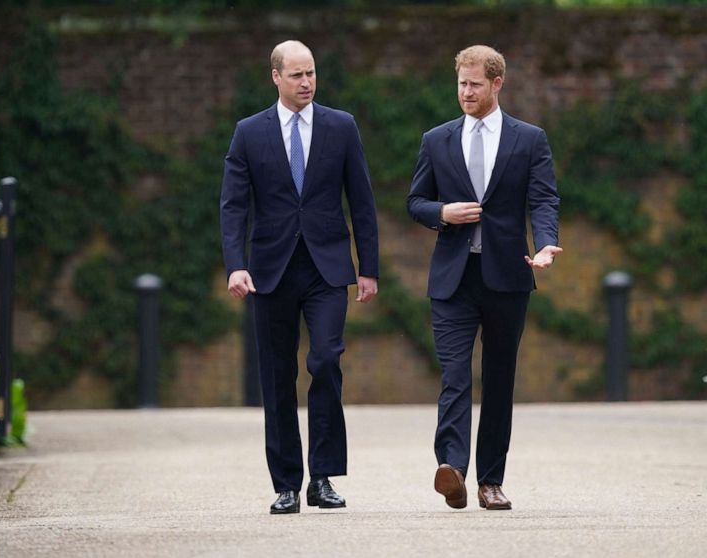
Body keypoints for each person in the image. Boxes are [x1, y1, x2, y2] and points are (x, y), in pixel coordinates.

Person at [220, 40, 379, 515]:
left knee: (327, 361)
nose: (306, 82)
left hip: (327, 267)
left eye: (311, 74)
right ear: (275, 77)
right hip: (270, 270)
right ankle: (287, 483)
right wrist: (235, 264)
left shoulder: (341, 126)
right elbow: (233, 205)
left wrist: (367, 267)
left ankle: (323, 477)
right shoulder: (248, 133)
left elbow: (363, 200)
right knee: (276, 376)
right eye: (296, 75)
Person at [407, 45, 562, 511]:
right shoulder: (436, 139)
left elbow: (543, 199)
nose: (466, 92)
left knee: (499, 378)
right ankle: (452, 469)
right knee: (454, 375)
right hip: (453, 279)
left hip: (507, 276)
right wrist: (443, 212)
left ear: (497, 84)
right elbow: (415, 202)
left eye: (475, 84)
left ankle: (491, 481)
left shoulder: (529, 139)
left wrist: (547, 243)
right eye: (461, 83)